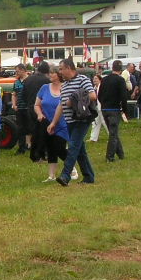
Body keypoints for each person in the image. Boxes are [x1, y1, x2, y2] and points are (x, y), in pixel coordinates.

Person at [48, 58, 96, 186]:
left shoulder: (83, 80)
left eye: (61, 69)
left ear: (69, 68)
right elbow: (61, 105)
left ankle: (65, 176)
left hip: (82, 119)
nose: (60, 72)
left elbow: (92, 96)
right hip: (70, 121)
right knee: (80, 150)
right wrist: (53, 123)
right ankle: (89, 177)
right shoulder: (65, 85)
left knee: (73, 146)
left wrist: (75, 99)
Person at [34, 65, 71, 182]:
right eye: (49, 73)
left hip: (63, 123)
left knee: (59, 147)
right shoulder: (44, 88)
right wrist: (39, 114)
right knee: (50, 149)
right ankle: (51, 175)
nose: (49, 75)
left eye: (52, 73)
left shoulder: (65, 87)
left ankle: (72, 168)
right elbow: (37, 105)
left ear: (58, 75)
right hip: (47, 123)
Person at [97, 60, 128, 162]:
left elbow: (99, 95)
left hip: (104, 109)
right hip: (114, 109)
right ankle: (109, 157)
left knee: (113, 132)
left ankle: (121, 154)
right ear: (121, 69)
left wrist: (104, 104)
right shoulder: (120, 80)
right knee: (113, 134)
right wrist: (124, 109)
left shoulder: (105, 80)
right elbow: (124, 96)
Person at [23, 61, 50, 162]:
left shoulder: (28, 79)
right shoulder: (47, 80)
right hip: (42, 109)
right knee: (44, 133)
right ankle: (43, 154)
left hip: (30, 108)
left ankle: (34, 154)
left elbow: (23, 95)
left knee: (34, 132)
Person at [11, 65, 31, 155]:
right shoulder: (16, 82)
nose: (16, 73)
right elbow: (14, 94)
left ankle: (31, 145)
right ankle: (21, 147)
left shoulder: (30, 80)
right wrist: (14, 104)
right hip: (20, 108)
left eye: (18, 71)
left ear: (23, 70)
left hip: (29, 108)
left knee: (31, 127)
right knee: (20, 128)